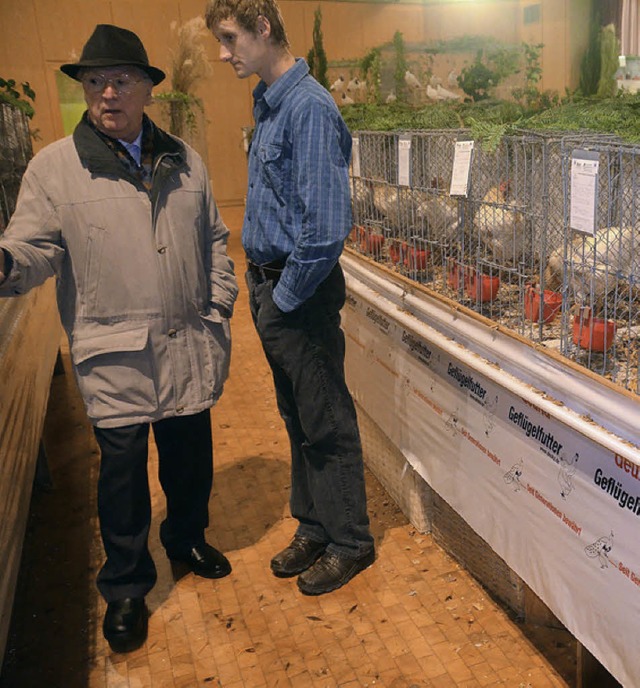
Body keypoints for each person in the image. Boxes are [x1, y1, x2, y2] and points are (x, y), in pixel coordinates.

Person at [0, 24, 238, 653]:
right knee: (123, 478)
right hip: (116, 357)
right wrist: (5, 265)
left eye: (121, 80)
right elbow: (32, 247)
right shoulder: (54, 169)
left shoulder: (185, 159)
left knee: (191, 459)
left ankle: (186, 537)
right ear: (83, 89)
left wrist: (217, 305)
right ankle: (127, 587)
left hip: (188, 343)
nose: (107, 92)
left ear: (146, 91)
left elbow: (215, 239)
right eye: (94, 81)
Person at [205, 0, 374, 596]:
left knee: (325, 419)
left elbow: (326, 228)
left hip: (295, 291)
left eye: (229, 39)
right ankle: (315, 526)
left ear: (263, 27)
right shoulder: (270, 102)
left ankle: (351, 540)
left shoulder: (307, 108)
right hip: (270, 284)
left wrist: (286, 299)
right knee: (297, 415)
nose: (222, 54)